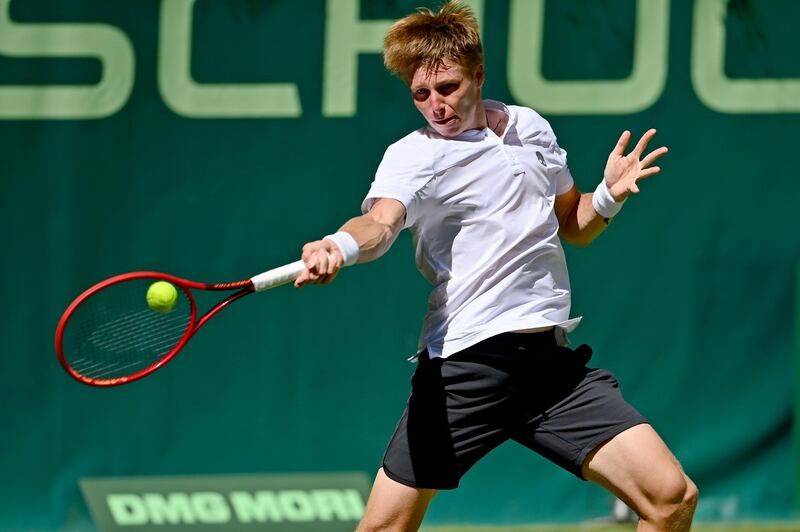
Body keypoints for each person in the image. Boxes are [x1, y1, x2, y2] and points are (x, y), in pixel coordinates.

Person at [293, 2, 698, 531]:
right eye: (421, 94)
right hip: (468, 367)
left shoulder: (530, 128)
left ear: (479, 75)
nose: (436, 105)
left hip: (548, 365)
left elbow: (572, 225)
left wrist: (607, 197)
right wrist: (340, 245)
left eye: (449, 88)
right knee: (384, 528)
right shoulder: (412, 156)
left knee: (671, 497)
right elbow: (381, 224)